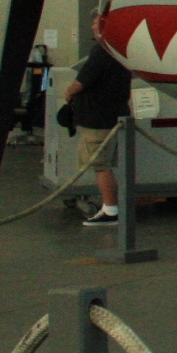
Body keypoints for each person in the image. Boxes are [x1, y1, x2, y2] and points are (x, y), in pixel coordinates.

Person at [59, 18, 130, 227]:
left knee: (100, 165)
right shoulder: (119, 51)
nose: (92, 27)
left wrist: (69, 92)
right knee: (104, 164)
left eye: (95, 24)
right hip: (113, 115)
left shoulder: (101, 51)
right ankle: (111, 206)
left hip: (98, 120)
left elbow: (82, 82)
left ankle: (110, 210)